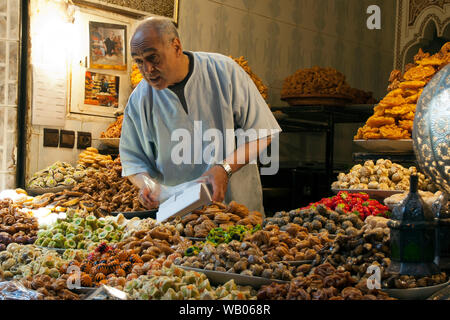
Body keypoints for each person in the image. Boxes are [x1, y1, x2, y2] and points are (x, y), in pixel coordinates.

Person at [119, 17, 281, 214]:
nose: (147, 70)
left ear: (176, 47)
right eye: (139, 62)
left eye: (153, 58)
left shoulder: (223, 71)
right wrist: (147, 185)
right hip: (182, 219)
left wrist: (225, 169)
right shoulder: (140, 99)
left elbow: (263, 132)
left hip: (238, 210)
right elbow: (133, 160)